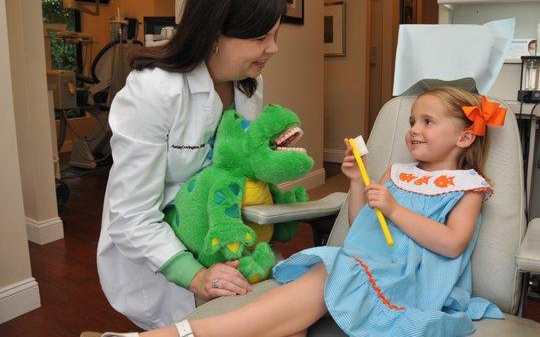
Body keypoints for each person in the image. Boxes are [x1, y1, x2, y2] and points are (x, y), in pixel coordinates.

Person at [97, 87, 508, 337]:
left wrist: (397, 211)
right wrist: (355, 184)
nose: (414, 129)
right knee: (295, 311)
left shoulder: (469, 187)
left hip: (407, 280)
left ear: (466, 135)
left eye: (428, 121)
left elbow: (453, 245)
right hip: (368, 261)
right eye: (414, 119)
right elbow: (363, 220)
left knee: (320, 282)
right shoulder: (398, 172)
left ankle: (175, 334)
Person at [96, 0, 286, 330]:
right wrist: (197, 276)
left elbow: (234, 165)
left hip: (218, 234)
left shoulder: (249, 85)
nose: (273, 49)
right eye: (261, 37)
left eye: (275, 35)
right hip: (162, 253)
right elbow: (131, 217)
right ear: (215, 33)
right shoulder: (153, 91)